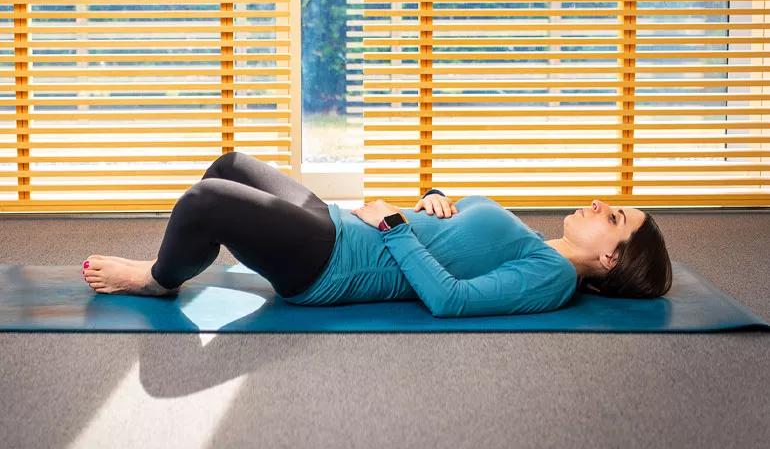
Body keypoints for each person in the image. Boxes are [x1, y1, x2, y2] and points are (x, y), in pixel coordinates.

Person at [81, 152, 672, 317]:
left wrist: (392, 222)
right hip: (339, 225)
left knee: (204, 201)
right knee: (230, 165)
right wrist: (436, 199)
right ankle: (185, 257)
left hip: (332, 263)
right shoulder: (543, 249)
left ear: (611, 256)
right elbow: (456, 236)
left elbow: (450, 299)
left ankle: (159, 279)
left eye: (612, 216)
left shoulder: (550, 277)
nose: (600, 204)